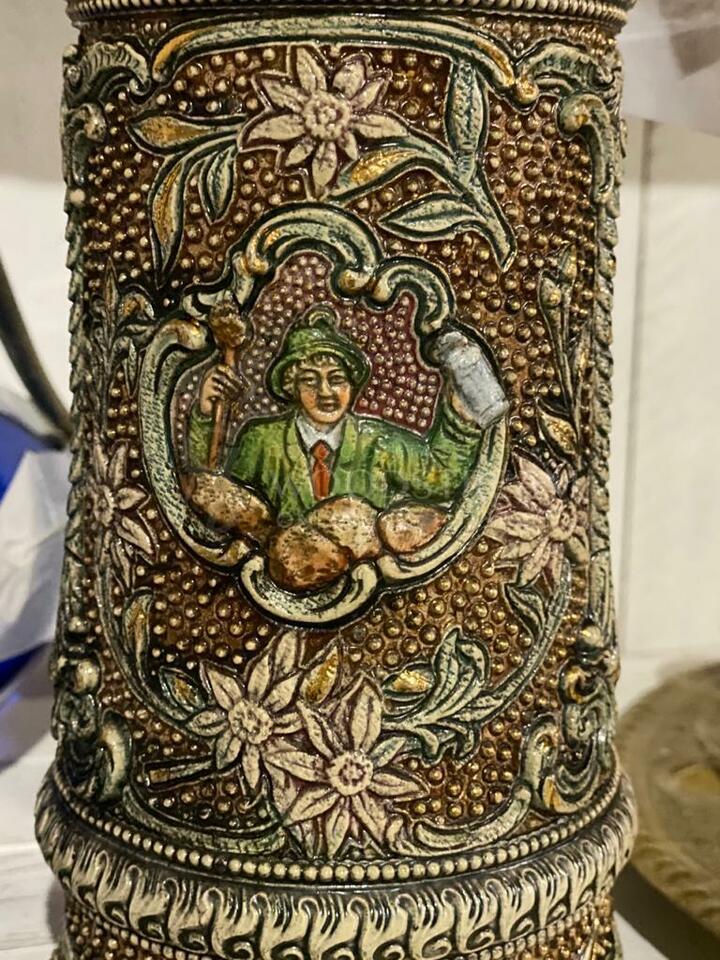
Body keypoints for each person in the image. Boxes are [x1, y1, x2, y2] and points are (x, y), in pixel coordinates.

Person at [187, 305, 507, 525]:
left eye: (337, 379)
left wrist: (459, 421)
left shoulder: (379, 444)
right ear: (291, 387)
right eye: (310, 380)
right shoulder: (261, 442)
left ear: (352, 386)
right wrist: (205, 412)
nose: (325, 392)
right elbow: (213, 499)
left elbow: (441, 479)